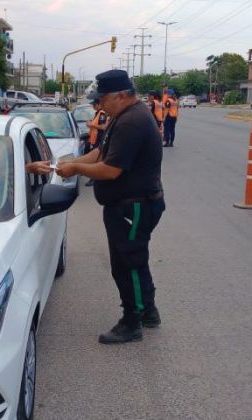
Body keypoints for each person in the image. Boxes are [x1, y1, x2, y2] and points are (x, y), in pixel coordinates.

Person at [56, 69, 165, 344]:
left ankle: (132, 321)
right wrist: (69, 163)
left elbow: (111, 170)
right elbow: (100, 154)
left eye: (102, 99)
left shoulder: (132, 122)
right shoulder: (122, 117)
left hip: (134, 206)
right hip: (128, 205)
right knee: (135, 260)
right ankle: (148, 312)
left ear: (121, 95)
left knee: (127, 264)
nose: (99, 105)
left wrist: (75, 169)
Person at [84, 93, 109, 186]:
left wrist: (91, 125)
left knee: (96, 160)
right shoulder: (97, 113)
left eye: (94, 105)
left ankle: (94, 179)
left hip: (99, 139)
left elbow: (103, 127)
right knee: (96, 160)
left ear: (99, 104)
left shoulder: (102, 113)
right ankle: (94, 178)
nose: (93, 106)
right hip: (94, 139)